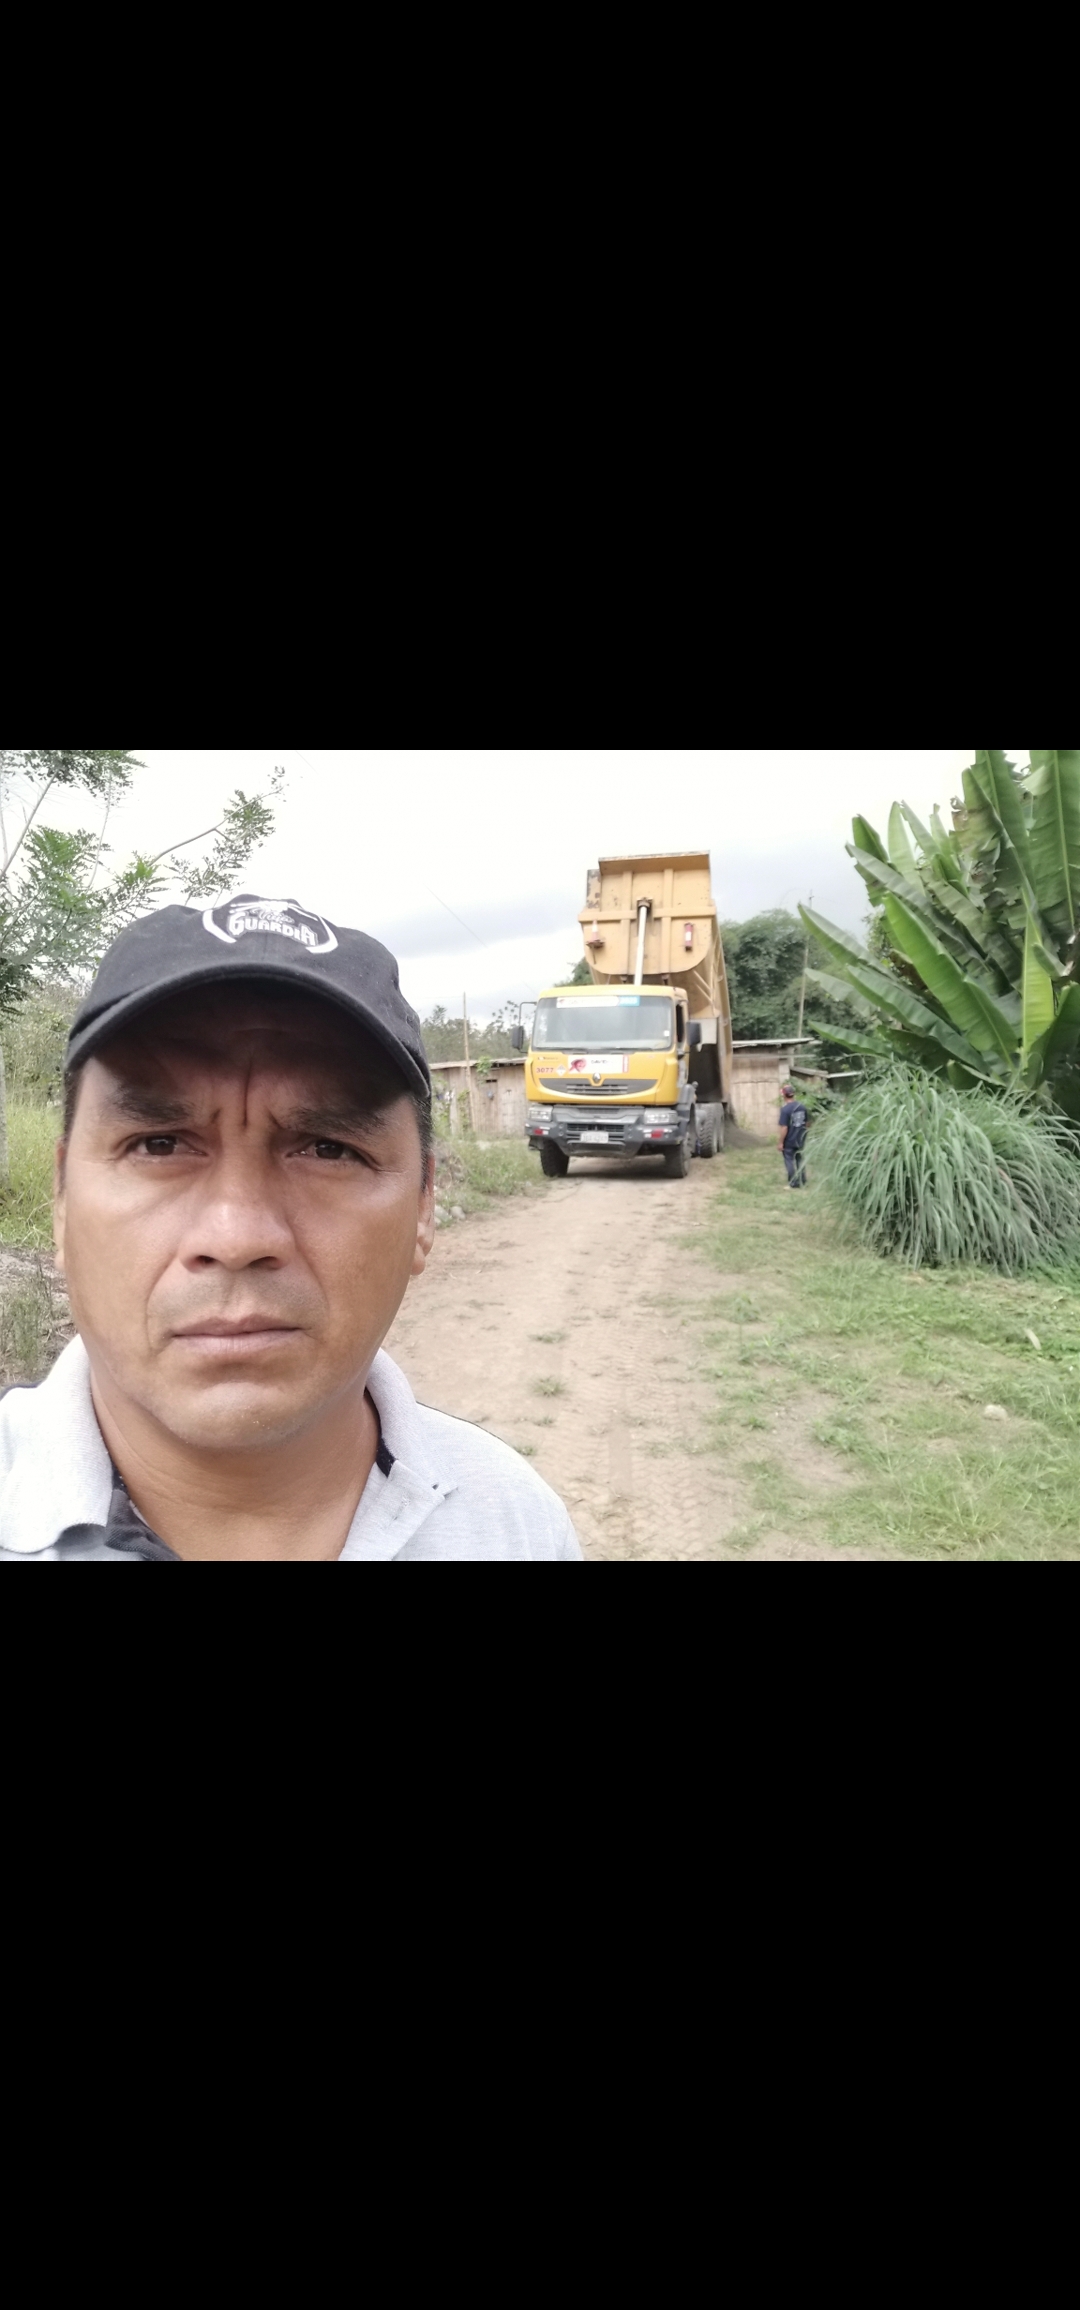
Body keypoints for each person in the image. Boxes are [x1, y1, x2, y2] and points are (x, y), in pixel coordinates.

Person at [0, 894, 582, 1562]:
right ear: (63, 1198)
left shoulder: (515, 1526)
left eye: (329, 1150)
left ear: (424, 1205)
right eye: (159, 1145)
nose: (237, 1238)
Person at [777, 1082, 810, 1188]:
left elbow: (784, 1127)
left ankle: (793, 1183)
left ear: (784, 1095)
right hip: (800, 1138)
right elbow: (807, 1123)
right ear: (793, 1094)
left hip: (789, 1140)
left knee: (789, 1160)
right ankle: (803, 1180)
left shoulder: (785, 1110)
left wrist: (781, 1142)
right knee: (800, 1159)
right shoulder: (802, 1107)